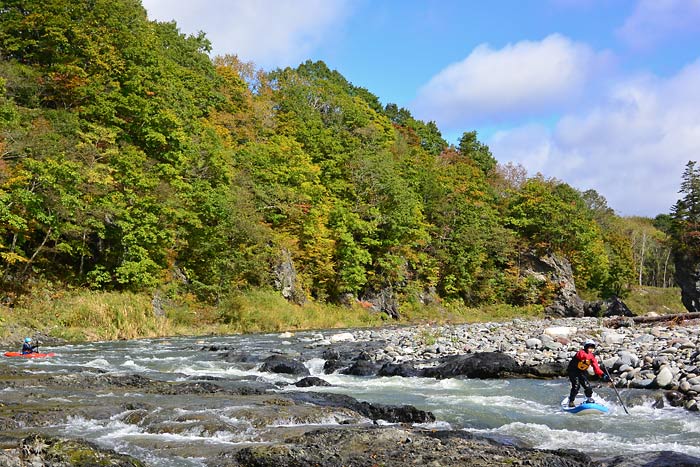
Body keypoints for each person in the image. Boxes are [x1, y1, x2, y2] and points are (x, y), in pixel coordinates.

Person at [567, 339, 608, 407]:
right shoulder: (581, 352)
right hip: (573, 371)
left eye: (592, 348)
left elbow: (596, 369)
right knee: (576, 386)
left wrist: (604, 375)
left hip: (582, 372)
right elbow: (583, 356)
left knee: (588, 387)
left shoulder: (592, 357)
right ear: (586, 347)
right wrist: (593, 355)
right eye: (589, 348)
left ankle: (588, 398)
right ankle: (571, 401)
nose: (591, 349)